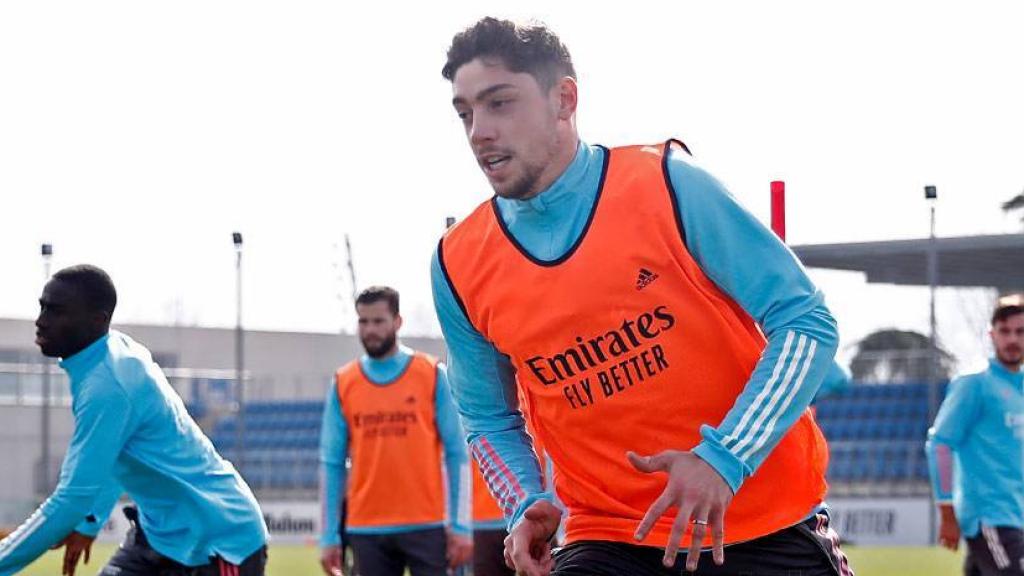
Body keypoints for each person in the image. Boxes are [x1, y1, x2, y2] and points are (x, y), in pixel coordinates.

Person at [432, 17, 852, 576]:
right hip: (605, 537)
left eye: (499, 103)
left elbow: (807, 322)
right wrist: (525, 503)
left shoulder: (667, 184)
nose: (479, 131)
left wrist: (724, 459)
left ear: (564, 99)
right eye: (465, 113)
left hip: (761, 526)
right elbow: (486, 417)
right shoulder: (458, 262)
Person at [0, 264, 268, 576]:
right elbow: (120, 453)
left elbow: (71, 499)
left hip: (218, 541)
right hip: (157, 539)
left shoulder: (107, 385)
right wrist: (91, 522)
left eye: (56, 311)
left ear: (97, 320)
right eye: (42, 307)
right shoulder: (109, 354)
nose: (41, 321)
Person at [319, 286, 472, 576]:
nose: (370, 330)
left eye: (378, 321)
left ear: (397, 321)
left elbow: (457, 452)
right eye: (363, 322)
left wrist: (461, 525)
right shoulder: (344, 382)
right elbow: (331, 463)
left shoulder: (430, 374)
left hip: (427, 525)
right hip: (366, 528)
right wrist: (328, 536)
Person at [927, 303, 1024, 576]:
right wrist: (947, 510)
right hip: (989, 516)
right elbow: (940, 444)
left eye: (1020, 331)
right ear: (991, 335)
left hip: (1016, 516)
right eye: (1005, 331)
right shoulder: (975, 384)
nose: (1013, 339)